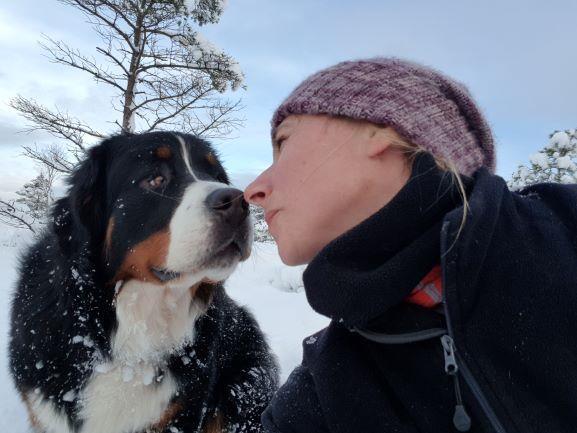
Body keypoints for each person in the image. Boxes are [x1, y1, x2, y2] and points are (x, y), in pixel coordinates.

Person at [243, 58, 577, 433]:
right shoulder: (320, 395)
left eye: (283, 142)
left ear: (379, 127)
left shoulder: (568, 225)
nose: (252, 190)